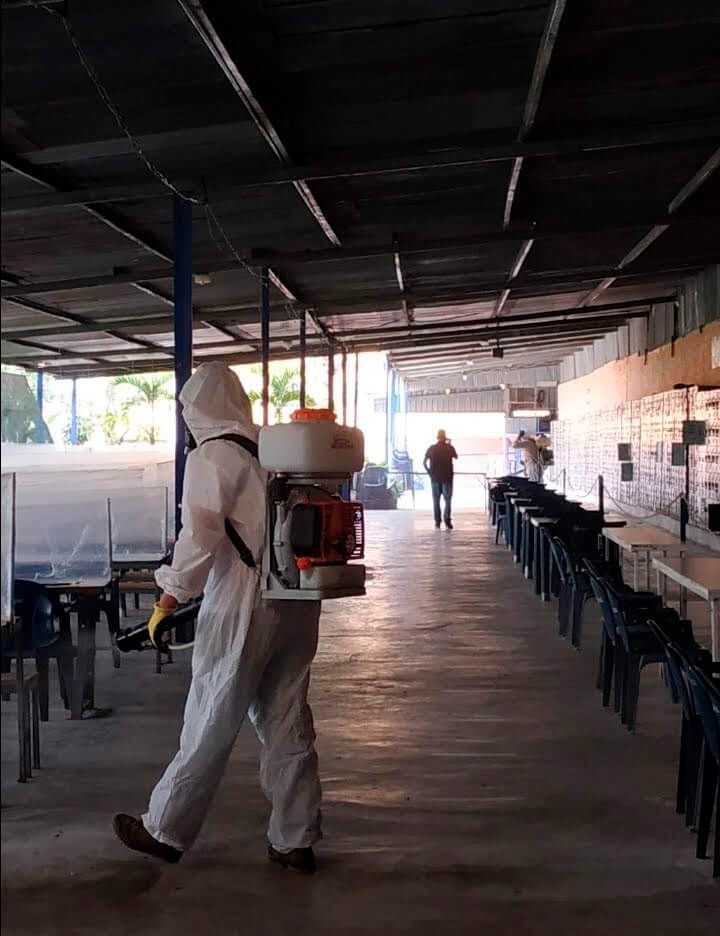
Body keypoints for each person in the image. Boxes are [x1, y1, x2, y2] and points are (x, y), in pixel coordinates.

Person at [113, 363, 322, 874]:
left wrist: (167, 599)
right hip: (296, 596)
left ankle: (165, 827)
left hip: (244, 600)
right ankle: (295, 838)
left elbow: (199, 538)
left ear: (195, 409)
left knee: (212, 710)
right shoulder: (277, 452)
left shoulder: (212, 455)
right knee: (288, 717)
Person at [424, 429, 458, 529]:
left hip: (435, 478)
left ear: (437, 438)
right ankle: (447, 521)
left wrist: (429, 472)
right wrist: (450, 444)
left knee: (436, 500)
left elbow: (424, 462)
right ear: (445, 437)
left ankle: (437, 522)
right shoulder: (449, 448)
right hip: (447, 478)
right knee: (447, 500)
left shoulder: (431, 448)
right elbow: (456, 457)